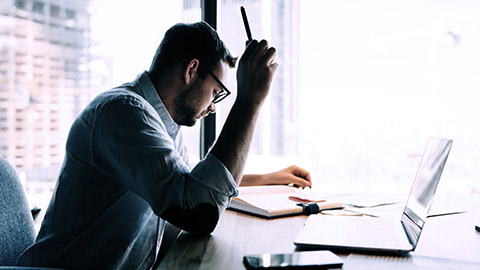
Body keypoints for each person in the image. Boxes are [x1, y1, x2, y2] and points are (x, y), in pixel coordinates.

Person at [17, 22, 311, 270]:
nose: (212, 107)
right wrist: (249, 101)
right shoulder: (123, 113)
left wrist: (270, 178)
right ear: (191, 70)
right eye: (216, 93)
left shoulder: (160, 121)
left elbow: (192, 181)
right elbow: (198, 211)